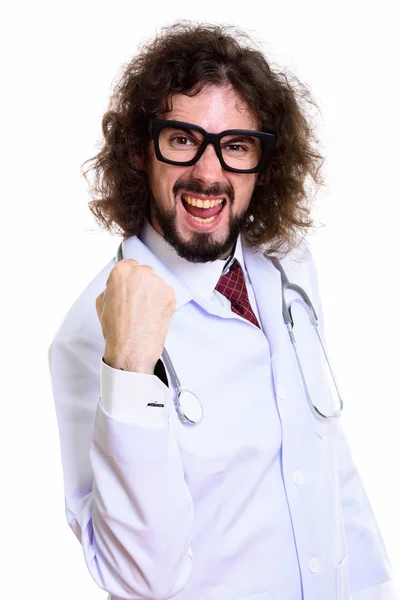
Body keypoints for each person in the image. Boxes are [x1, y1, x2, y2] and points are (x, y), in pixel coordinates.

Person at [47, 21, 397, 600]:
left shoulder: (285, 268)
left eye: (236, 146)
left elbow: (328, 460)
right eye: (182, 139)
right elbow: (141, 582)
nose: (209, 173)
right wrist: (130, 372)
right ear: (140, 149)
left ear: (263, 162)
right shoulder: (92, 336)